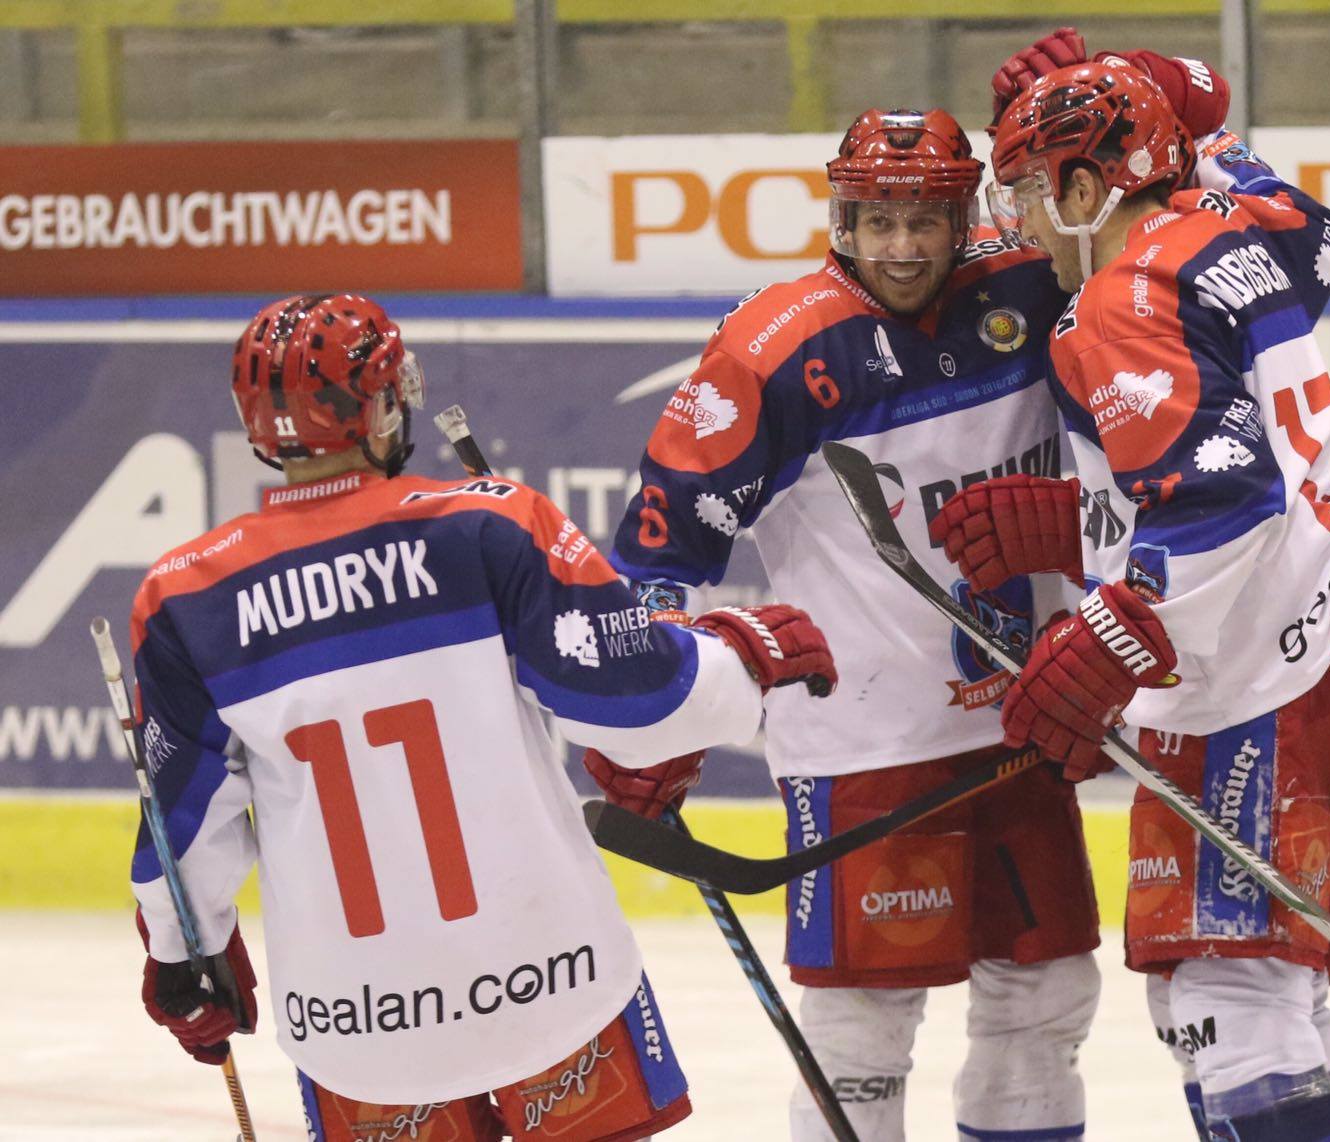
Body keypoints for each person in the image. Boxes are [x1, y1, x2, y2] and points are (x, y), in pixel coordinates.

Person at [129, 293, 837, 1142]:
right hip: (552, 988)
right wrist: (744, 655)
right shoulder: (490, 524)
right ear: (381, 406)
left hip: (355, 1031)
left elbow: (180, 831)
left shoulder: (187, 597)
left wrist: (184, 956)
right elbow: (644, 708)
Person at [931, 47, 1330, 1142]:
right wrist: (1086, 524)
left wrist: (1108, 635)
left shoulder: (1120, 298)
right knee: (1263, 1003)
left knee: (1229, 1005)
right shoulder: (1238, 232)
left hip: (1254, 681)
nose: (1019, 223)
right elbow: (1314, 231)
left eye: (1029, 189)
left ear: (1086, 188)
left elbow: (1219, 501)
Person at [586, 108, 1101, 1142]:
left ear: (966, 215)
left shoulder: (1034, 283)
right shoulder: (772, 349)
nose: (900, 246)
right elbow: (657, 551)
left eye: (924, 220)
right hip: (865, 749)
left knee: (1047, 997)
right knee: (862, 1034)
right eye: (877, 221)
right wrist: (645, 710)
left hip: (1024, 725)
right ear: (843, 217)